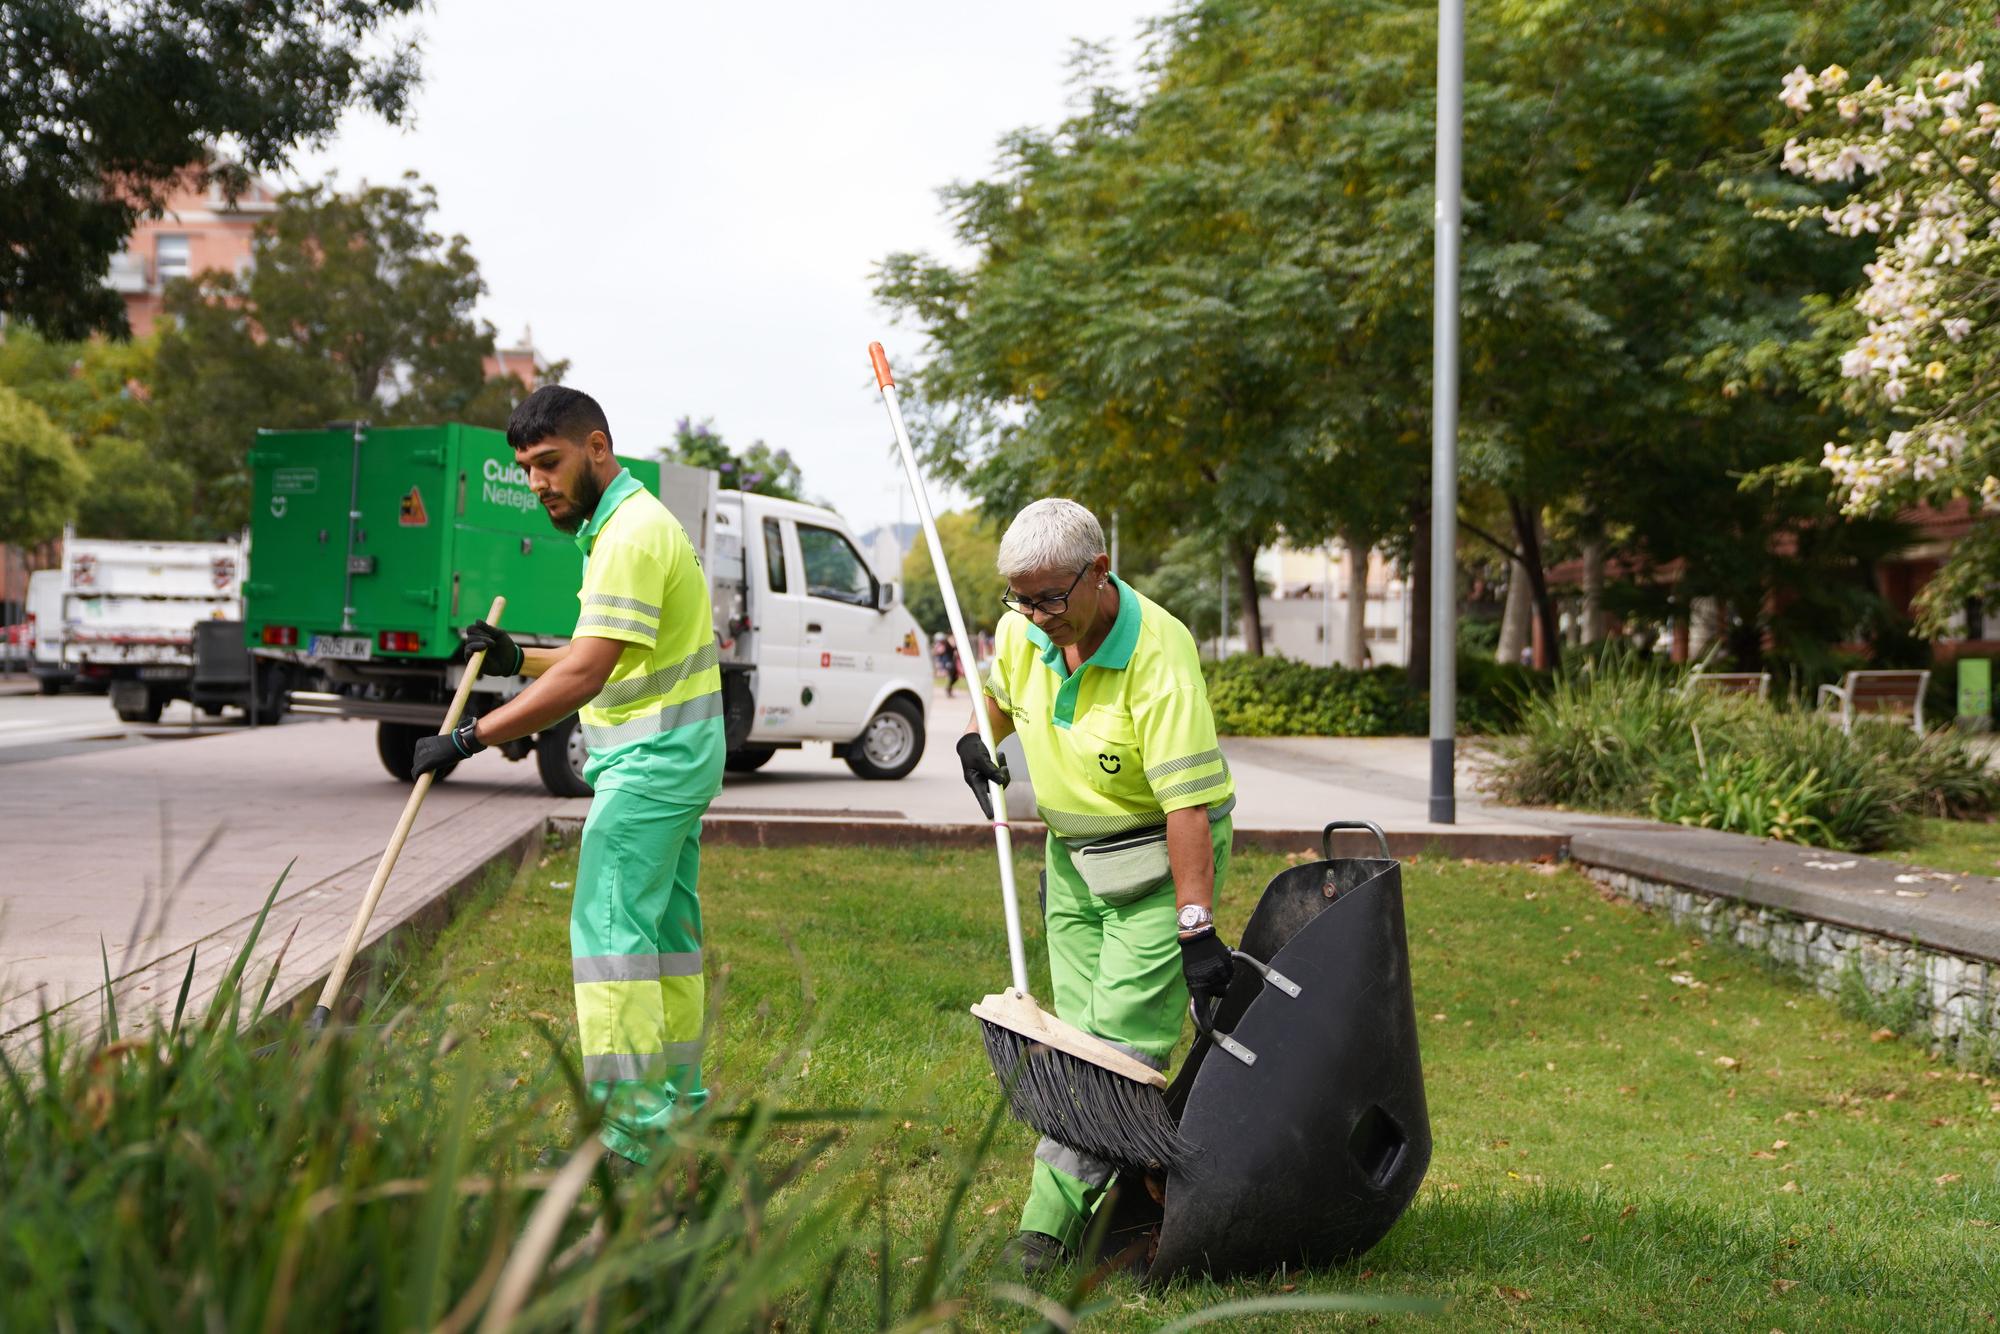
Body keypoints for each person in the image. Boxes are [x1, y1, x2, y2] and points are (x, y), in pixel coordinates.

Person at [411, 385, 726, 1166]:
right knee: (663, 944)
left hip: (652, 765)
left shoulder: (628, 535)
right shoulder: (632, 525)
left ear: (597, 447)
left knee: (612, 938)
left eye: (548, 463)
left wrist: (468, 738)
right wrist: (518, 657)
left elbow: (585, 675)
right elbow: (605, 655)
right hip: (673, 760)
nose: (537, 483)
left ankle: (632, 1138)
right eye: (524, 470)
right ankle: (678, 1111)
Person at [955, 498, 1238, 1275]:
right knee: (1075, 1038)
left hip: (1158, 864)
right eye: (1021, 598)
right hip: (1073, 862)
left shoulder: (1160, 654)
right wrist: (980, 735)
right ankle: (1126, 1189)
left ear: (1100, 572)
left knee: (1111, 1053)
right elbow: (1003, 697)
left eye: (1051, 596)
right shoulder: (1025, 631)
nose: (1036, 615)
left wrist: (1195, 924)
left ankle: (1043, 1232)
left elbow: (1187, 805)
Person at [939, 633, 963, 698]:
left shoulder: (954, 643)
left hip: (952, 662)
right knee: (952, 676)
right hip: (948, 662)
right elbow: (943, 650)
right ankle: (949, 690)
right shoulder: (947, 642)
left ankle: (948, 688)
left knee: (955, 677)